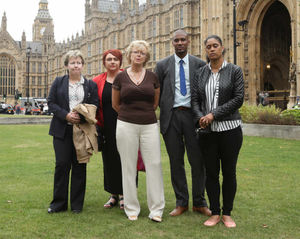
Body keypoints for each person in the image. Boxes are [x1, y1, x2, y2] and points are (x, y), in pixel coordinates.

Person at [155, 29, 211, 217]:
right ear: (172, 43)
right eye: (176, 40)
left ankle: (199, 202)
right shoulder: (162, 65)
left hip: (193, 117)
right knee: (176, 161)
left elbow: (206, 92)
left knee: (198, 161)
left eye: (183, 40)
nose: (179, 43)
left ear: (189, 42)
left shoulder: (200, 64)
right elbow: (158, 93)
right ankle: (181, 203)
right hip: (171, 117)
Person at [191, 35, 244, 228]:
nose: (212, 49)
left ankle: (227, 213)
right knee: (211, 174)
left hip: (230, 130)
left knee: (229, 172)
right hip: (207, 133)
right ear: (205, 50)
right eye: (208, 47)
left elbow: (238, 99)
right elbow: (195, 100)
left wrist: (213, 115)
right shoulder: (201, 73)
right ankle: (214, 212)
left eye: (215, 46)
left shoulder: (234, 71)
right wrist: (200, 118)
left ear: (222, 48)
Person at [112, 40, 164, 222]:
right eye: (135, 52)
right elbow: (115, 104)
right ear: (129, 55)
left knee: (154, 164)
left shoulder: (152, 77)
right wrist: (129, 115)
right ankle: (131, 208)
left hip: (149, 124)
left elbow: (155, 102)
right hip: (126, 124)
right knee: (128, 166)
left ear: (146, 56)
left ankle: (156, 209)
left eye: (142, 52)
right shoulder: (120, 78)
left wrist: (143, 114)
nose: (139, 55)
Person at [47, 50, 98, 214]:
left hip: (81, 131)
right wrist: (66, 115)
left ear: (83, 65)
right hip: (62, 129)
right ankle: (58, 204)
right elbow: (51, 103)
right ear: (66, 65)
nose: (76, 65)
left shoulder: (90, 85)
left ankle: (77, 205)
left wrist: (81, 117)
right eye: (72, 62)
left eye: (78, 62)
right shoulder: (59, 82)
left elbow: (94, 105)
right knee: (62, 165)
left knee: (79, 166)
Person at [93, 49, 124, 209]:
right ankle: (113, 194)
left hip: (126, 124)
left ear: (120, 62)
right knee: (110, 160)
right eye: (109, 59)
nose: (112, 62)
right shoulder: (98, 80)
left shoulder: (128, 77)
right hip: (106, 125)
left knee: (126, 159)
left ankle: (125, 194)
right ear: (104, 62)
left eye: (115, 59)